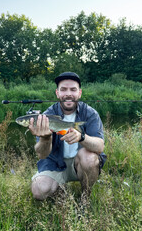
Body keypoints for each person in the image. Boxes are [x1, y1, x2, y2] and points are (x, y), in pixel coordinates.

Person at [29, 72, 106, 201]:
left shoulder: (91, 113)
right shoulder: (47, 115)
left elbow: (99, 146)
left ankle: (85, 199)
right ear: (57, 93)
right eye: (63, 89)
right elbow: (41, 155)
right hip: (55, 164)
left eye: (73, 89)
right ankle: (63, 197)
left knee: (90, 158)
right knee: (39, 191)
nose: (68, 94)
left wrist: (81, 137)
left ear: (79, 93)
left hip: (80, 163)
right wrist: (46, 138)